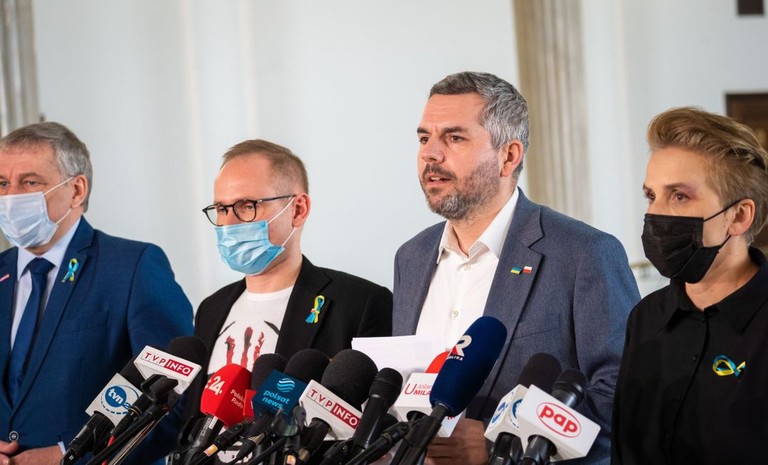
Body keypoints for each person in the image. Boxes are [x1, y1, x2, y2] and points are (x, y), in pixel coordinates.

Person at [393, 71, 640, 465]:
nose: (430, 154)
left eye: (454, 138)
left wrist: (501, 443)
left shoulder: (584, 253)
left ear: (508, 156)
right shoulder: (411, 257)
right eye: (424, 138)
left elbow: (622, 400)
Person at [182, 139, 392, 461]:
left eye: (246, 206)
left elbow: (375, 433)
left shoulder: (360, 303)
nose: (228, 223)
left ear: (298, 209)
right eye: (222, 209)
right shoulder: (211, 308)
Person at [0, 122, 193, 465]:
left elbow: (171, 398)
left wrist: (67, 454)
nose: (11, 197)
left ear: (76, 190)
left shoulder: (133, 268)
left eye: (30, 182)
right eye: (2, 184)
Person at [612, 107, 768, 464]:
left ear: (739, 216)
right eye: (651, 196)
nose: (655, 214)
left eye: (679, 196)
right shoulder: (646, 318)